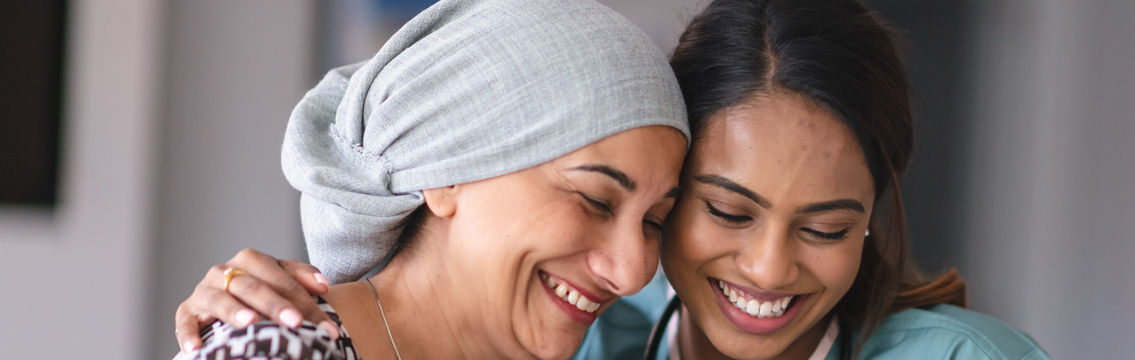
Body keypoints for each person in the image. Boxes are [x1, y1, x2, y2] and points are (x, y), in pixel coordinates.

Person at [176, 0, 1050, 359]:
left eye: (827, 227)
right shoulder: (592, 336)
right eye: (721, 209)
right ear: (444, 172)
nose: (772, 266)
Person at [172, 0, 690, 358]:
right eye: (596, 201)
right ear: (446, 174)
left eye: (654, 222)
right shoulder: (279, 350)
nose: (632, 272)